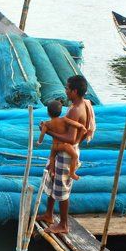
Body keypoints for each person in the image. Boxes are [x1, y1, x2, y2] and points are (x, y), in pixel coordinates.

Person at [36, 76, 94, 235]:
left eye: (68, 88)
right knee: (53, 179)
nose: (66, 91)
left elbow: (71, 138)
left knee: (62, 189)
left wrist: (49, 132)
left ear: (75, 91)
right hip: (63, 150)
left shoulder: (76, 110)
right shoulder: (81, 104)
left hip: (66, 153)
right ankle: (48, 214)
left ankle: (63, 224)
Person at [38, 99, 85, 181]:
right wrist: (81, 126)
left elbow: (42, 134)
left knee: (52, 157)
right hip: (63, 146)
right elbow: (73, 123)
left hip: (55, 146)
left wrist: (39, 142)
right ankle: (72, 173)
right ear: (60, 112)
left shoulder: (46, 123)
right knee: (75, 156)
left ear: (48, 113)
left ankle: (52, 171)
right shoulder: (63, 119)